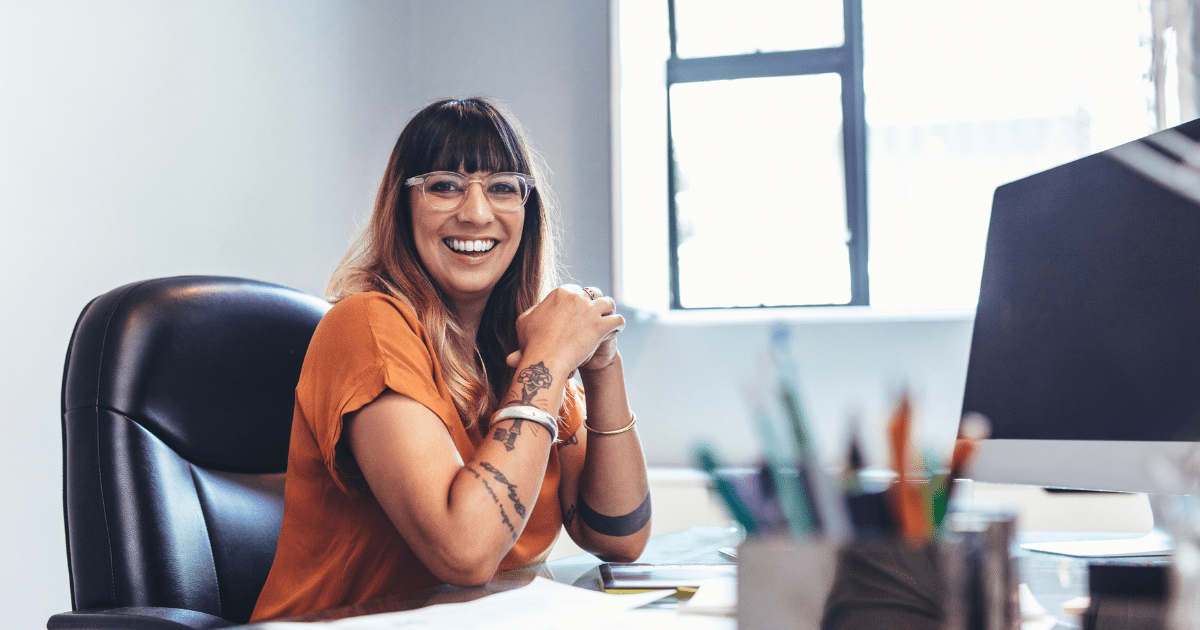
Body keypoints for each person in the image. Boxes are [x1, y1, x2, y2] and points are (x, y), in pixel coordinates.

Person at [250, 97, 650, 620]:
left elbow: (620, 537)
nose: (477, 213)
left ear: (527, 212)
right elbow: (465, 552)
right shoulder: (365, 326)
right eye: (445, 186)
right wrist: (551, 360)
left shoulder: (523, 347)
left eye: (502, 187)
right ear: (403, 206)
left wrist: (602, 365)